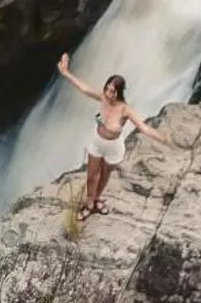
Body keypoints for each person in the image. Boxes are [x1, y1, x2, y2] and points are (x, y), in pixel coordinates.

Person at [58, 54, 170, 220]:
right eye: (107, 89)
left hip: (113, 147)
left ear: (119, 93)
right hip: (97, 142)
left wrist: (165, 138)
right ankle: (89, 204)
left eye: (112, 91)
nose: (109, 94)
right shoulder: (102, 98)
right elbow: (83, 88)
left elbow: (144, 127)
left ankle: (96, 200)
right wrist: (66, 71)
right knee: (91, 176)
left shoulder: (125, 109)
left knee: (104, 176)